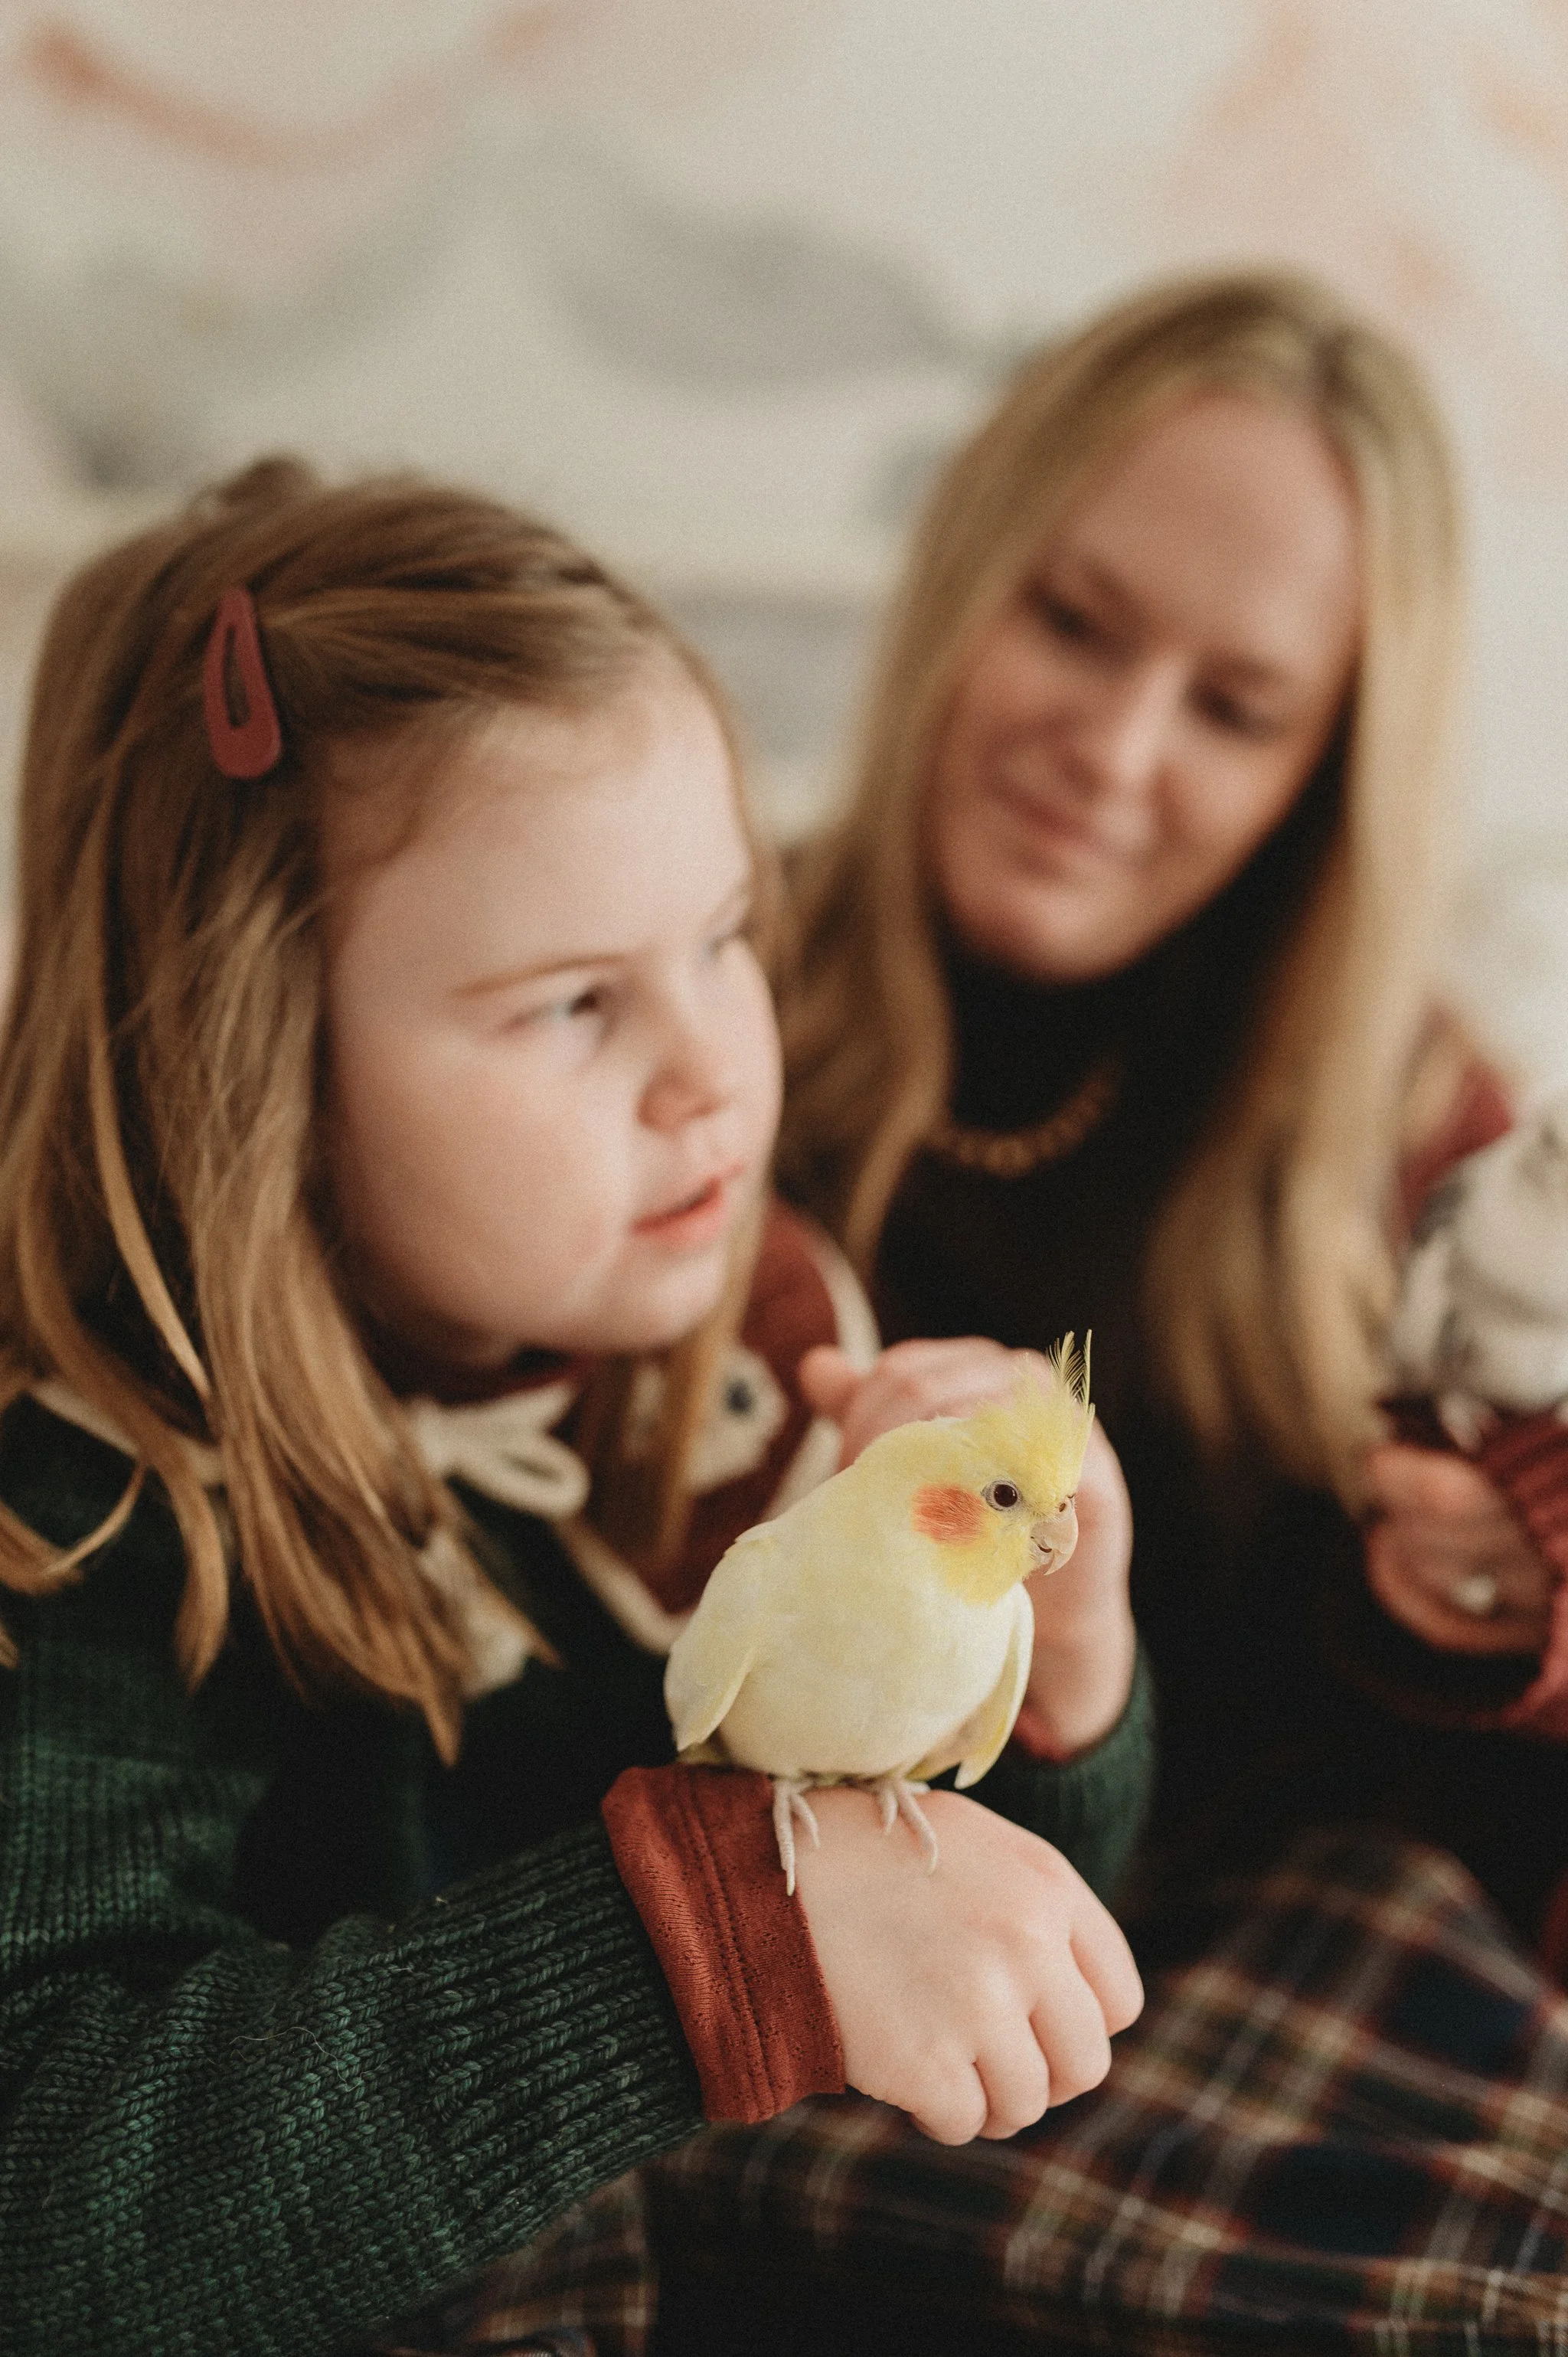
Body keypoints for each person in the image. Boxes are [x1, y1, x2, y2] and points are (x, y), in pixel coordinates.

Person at [0, 459, 1149, 2356]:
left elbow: (995, 1949)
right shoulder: (97, 1503)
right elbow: (48, 2206)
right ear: (263, 1064)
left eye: (723, 941)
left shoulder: (772, 1350)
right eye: (572, 1007)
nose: (715, 1069)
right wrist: (700, 1949)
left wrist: (1070, 1670)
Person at [635, 269, 1568, 2354]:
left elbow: (1483, 1850)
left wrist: (1484, 1628)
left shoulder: (1427, 1145)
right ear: (968, 569)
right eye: (1072, 621)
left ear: (1324, 769)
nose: (1114, 750)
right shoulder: (684, 1002)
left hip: (1256, 2015)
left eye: (1235, 708)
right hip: (794, 2009)